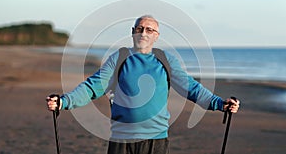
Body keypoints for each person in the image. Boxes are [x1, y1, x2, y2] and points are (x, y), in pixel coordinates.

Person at [46, 15, 240, 154]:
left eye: (149, 29)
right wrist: (63, 102)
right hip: (122, 139)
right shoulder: (119, 58)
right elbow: (91, 87)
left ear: (157, 35)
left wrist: (220, 104)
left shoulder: (165, 60)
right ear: (132, 33)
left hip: (156, 140)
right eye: (139, 28)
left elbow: (191, 88)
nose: (143, 33)